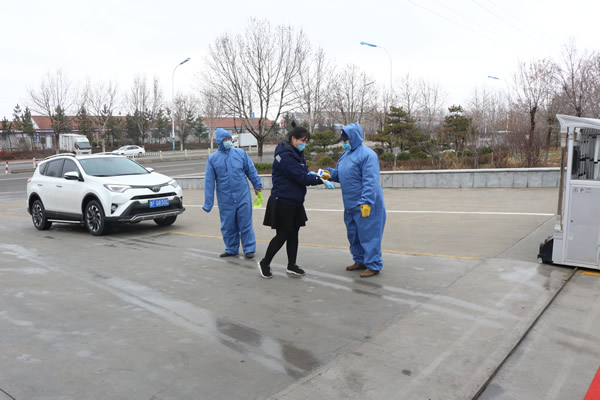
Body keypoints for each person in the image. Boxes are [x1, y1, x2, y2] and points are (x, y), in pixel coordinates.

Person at [257, 123, 332, 279]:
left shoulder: (296, 153)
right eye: (302, 140)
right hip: (283, 200)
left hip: (295, 200)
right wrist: (321, 179)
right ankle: (265, 262)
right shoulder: (285, 156)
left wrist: (313, 174)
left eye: (306, 141)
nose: (304, 144)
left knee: (294, 233)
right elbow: (301, 177)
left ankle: (291, 265)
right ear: (293, 138)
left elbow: (303, 172)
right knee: (283, 234)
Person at [324, 122, 386, 278]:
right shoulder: (345, 155)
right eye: (343, 141)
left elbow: (370, 181)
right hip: (350, 204)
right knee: (354, 234)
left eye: (346, 140)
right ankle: (360, 260)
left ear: (354, 138)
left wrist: (366, 202)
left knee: (369, 235)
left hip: (366, 204)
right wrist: (328, 173)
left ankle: (373, 265)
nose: (344, 143)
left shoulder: (367, 155)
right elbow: (341, 174)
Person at [203, 128, 263, 259]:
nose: (228, 142)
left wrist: (257, 185)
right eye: (225, 140)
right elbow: (209, 182)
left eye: (229, 139)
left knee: (245, 223)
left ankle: (249, 248)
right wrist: (208, 203)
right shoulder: (213, 159)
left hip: (243, 195)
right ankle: (231, 248)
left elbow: (251, 170)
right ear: (219, 141)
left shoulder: (240, 154)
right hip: (225, 198)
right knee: (228, 225)